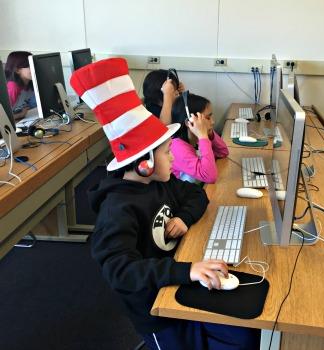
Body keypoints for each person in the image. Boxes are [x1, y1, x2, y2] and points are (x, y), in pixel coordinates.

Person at [70, 58, 260, 350]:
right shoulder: (117, 209)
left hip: (177, 276)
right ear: (144, 163)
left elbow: (196, 195)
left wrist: (184, 219)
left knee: (244, 335)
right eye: (167, 152)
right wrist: (187, 271)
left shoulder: (160, 182)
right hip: (157, 310)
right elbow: (120, 271)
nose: (173, 158)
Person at [170, 93, 229, 184]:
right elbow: (209, 177)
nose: (213, 122)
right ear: (190, 122)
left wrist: (208, 134)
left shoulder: (195, 139)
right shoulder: (178, 148)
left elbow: (223, 152)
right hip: (184, 196)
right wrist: (203, 136)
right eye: (208, 117)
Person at [5, 51, 36, 120]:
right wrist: (20, 115)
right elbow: (2, 118)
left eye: (35, 64)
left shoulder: (31, 83)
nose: (35, 68)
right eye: (30, 66)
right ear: (17, 70)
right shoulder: (12, 88)